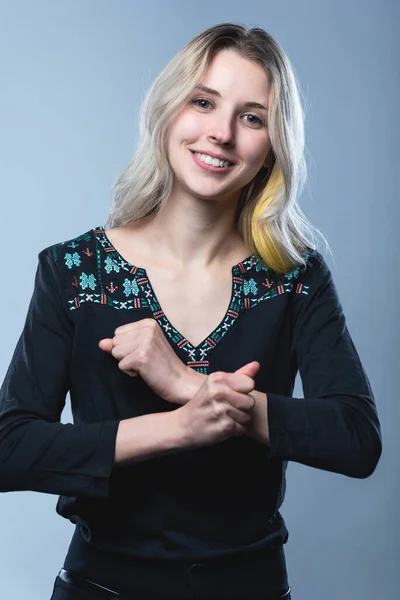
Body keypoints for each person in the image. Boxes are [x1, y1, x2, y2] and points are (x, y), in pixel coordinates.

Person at [0, 22, 382, 600]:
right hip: (101, 588)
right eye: (203, 102)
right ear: (169, 111)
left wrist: (186, 385)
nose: (221, 134)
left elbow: (357, 439)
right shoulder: (73, 270)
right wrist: (176, 426)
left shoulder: (295, 277)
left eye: (252, 117)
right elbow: (10, 449)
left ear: (273, 144)